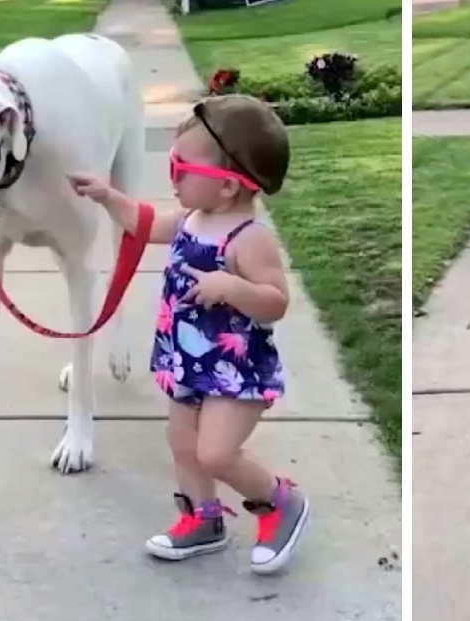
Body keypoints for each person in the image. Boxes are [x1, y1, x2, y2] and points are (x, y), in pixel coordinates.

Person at [67, 94, 309, 573]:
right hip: (187, 362)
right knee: (182, 445)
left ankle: (282, 503)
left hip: (234, 370)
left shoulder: (249, 238)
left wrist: (233, 286)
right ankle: (204, 519)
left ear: (227, 187)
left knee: (215, 452)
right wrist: (108, 195)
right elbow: (145, 222)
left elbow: (276, 302)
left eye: (182, 165)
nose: (171, 172)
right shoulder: (192, 218)